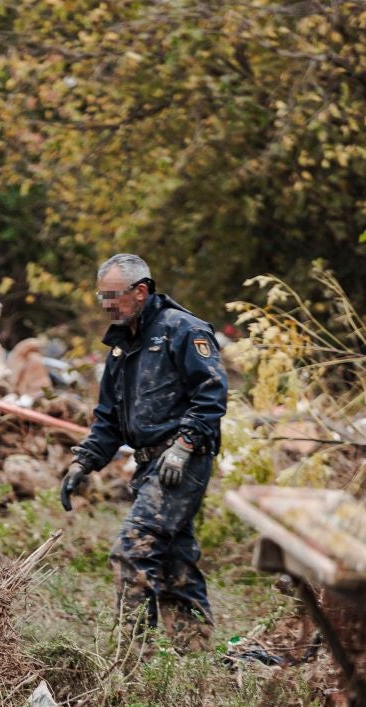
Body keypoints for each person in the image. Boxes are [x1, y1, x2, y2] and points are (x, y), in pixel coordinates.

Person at [59, 254, 227, 643]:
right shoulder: (121, 345)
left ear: (141, 291)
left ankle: (133, 660)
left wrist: (185, 445)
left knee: (131, 552)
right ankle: (198, 663)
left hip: (180, 464)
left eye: (114, 295)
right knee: (174, 565)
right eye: (102, 296)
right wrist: (83, 462)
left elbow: (212, 394)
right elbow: (109, 418)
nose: (106, 304)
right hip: (149, 464)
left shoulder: (182, 330)